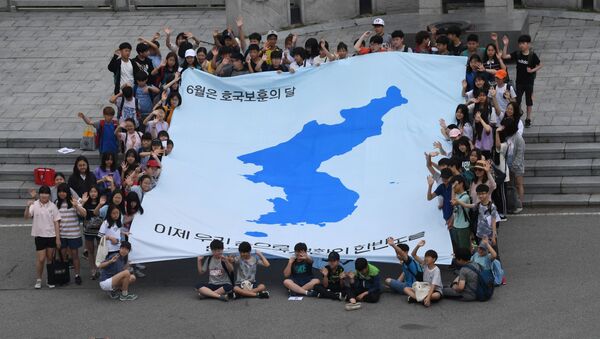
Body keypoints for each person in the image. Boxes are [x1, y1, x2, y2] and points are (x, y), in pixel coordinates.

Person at [501, 34, 542, 128]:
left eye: (523, 43)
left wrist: (532, 70)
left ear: (528, 44)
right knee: (517, 101)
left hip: (529, 83)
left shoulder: (532, 55)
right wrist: (505, 45)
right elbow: (504, 56)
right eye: (520, 43)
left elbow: (540, 65)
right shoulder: (517, 54)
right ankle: (517, 116)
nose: (521, 45)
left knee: (529, 101)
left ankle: (528, 118)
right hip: (519, 82)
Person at [25, 186, 61, 289]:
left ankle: (50, 279)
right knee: (41, 259)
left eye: (46, 193)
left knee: (50, 258)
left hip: (51, 236)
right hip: (39, 236)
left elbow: (56, 222)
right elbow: (26, 217)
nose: (44, 195)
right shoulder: (34, 204)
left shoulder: (53, 206)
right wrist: (27, 206)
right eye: (42, 193)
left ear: (49, 195)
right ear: (39, 194)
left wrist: (57, 238)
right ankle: (39, 279)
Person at [55, 183, 86, 285]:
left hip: (74, 235)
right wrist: (57, 238)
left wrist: (77, 206)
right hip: (62, 235)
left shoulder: (74, 202)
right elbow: (56, 221)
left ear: (67, 192)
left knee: (75, 256)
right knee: (63, 257)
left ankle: (77, 275)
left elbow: (84, 214)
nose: (62, 193)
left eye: (64, 191)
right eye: (60, 191)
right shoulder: (56, 204)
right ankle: (64, 276)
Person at [403, 240, 443, 306]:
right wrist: (418, 246)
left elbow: (433, 286)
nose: (426, 258)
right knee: (406, 289)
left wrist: (429, 297)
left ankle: (417, 298)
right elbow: (413, 254)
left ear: (434, 259)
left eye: (428, 257)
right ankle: (422, 299)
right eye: (425, 256)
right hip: (424, 288)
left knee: (436, 296)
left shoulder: (436, 270)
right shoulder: (424, 264)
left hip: (435, 290)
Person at [82, 186, 105, 280]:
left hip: (100, 231)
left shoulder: (103, 202)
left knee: (101, 251)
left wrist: (100, 204)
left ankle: (101, 269)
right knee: (90, 252)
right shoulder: (85, 203)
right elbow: (80, 212)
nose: (93, 193)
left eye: (95, 191)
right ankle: (93, 269)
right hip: (88, 231)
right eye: (91, 191)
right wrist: (83, 202)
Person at [450, 176, 471, 252]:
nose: (453, 186)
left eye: (455, 184)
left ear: (461, 184)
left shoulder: (466, 196)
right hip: (455, 226)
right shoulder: (457, 195)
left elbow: (453, 202)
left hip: (463, 227)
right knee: (457, 248)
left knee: (464, 249)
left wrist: (452, 188)